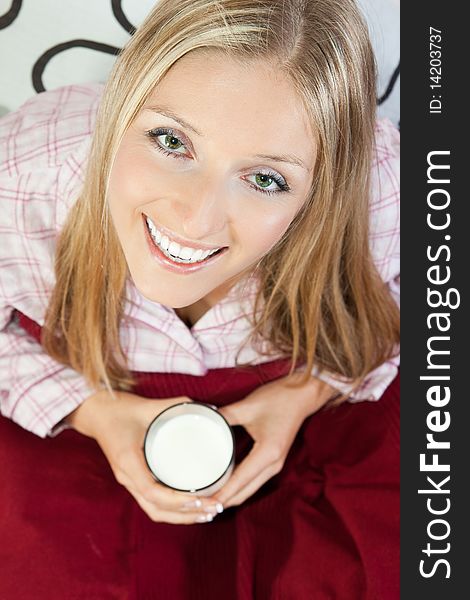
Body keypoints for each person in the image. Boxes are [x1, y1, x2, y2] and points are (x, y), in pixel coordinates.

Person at [0, 0, 400, 598]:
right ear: (122, 106)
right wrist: (87, 409)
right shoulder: (28, 169)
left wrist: (306, 391)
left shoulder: (381, 188)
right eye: (171, 141)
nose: (196, 219)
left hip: (312, 420)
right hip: (79, 421)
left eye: (266, 178)